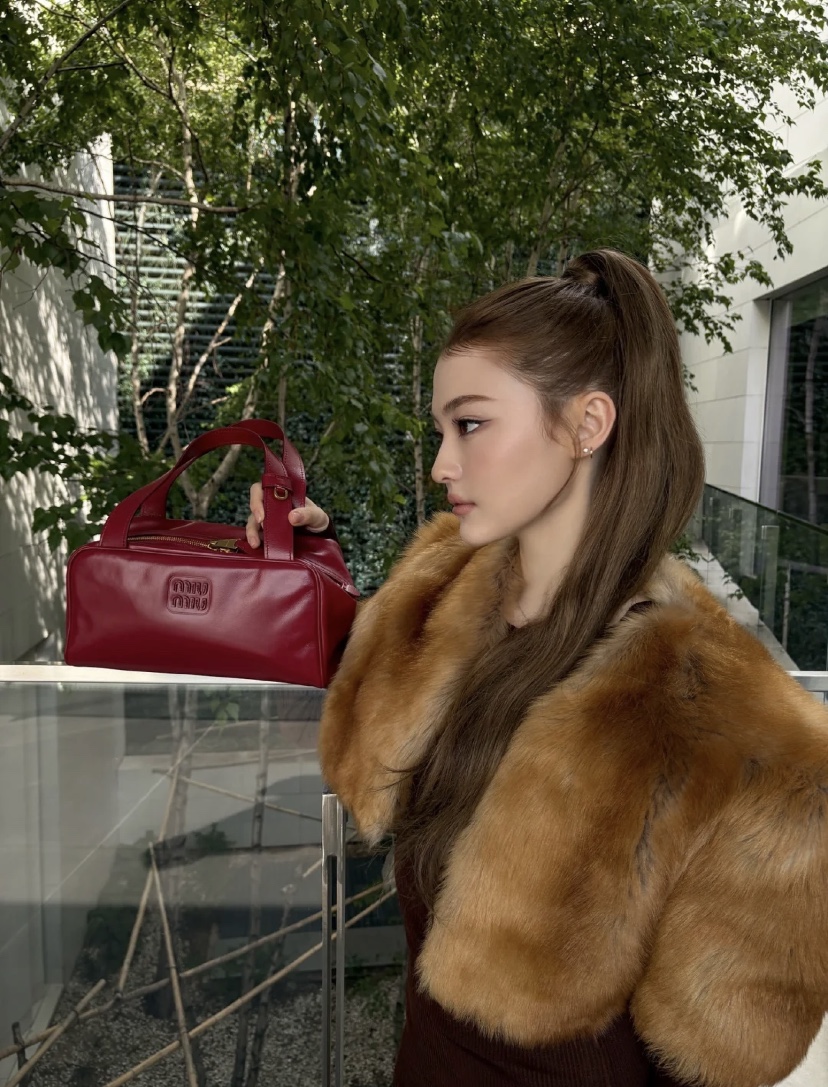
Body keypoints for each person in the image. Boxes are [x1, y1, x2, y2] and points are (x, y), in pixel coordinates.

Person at [246, 249, 828, 1087]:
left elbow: (730, 1046)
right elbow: (365, 695)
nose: (442, 464)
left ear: (588, 424)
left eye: (471, 425)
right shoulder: (444, 593)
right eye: (442, 429)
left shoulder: (721, 724)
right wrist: (306, 560)